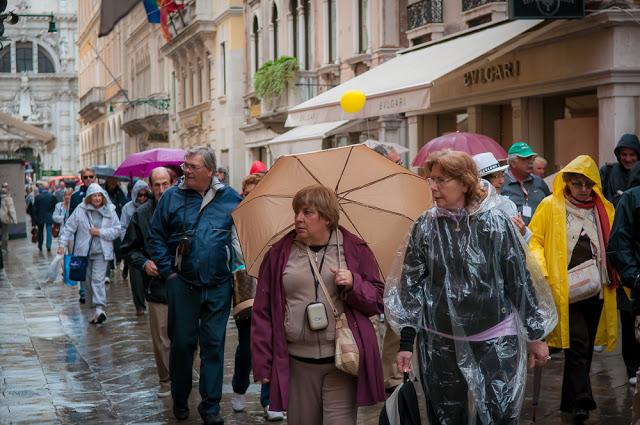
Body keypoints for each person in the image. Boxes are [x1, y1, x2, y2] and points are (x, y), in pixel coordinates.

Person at [387, 150, 555, 425]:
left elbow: (518, 281)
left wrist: (536, 336)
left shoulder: (495, 224)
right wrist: (406, 343)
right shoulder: (426, 227)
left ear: (464, 182)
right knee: (446, 415)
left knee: (499, 412)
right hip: (440, 340)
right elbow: (411, 286)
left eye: (441, 180)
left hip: (495, 336)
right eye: (431, 180)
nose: (433, 187)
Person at [252, 185, 386, 425]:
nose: (298, 219)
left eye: (307, 212)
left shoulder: (354, 249)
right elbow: (262, 311)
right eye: (296, 212)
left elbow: (377, 300)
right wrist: (263, 362)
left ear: (326, 217)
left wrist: (354, 283)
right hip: (297, 365)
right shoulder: (279, 254)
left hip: (342, 363)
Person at [148, 146, 242, 424]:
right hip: (183, 284)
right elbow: (155, 236)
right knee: (182, 345)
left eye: (192, 167)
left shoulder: (230, 198)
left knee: (214, 346)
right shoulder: (170, 198)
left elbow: (243, 235)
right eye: (185, 165)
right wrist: (169, 273)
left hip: (219, 285)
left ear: (210, 171)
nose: (185, 171)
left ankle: (210, 408)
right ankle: (180, 397)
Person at [528, 155, 619, 424]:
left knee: (584, 347)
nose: (582, 189)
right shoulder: (549, 205)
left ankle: (570, 400)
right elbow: (535, 241)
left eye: (586, 184)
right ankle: (582, 402)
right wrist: (542, 272)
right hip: (565, 289)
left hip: (596, 288)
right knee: (577, 344)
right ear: (567, 182)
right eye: (576, 183)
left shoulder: (604, 208)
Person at [121, 167, 175, 398]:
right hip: (157, 287)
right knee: (162, 339)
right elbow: (128, 249)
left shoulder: (187, 209)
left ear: (172, 183)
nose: (161, 189)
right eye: (157, 185)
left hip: (186, 284)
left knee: (188, 338)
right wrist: (144, 263)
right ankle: (166, 381)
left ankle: (182, 375)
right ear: (150, 186)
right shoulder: (141, 215)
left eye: (165, 184)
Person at [58, 183, 121, 324]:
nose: (97, 198)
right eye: (94, 196)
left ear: (103, 197)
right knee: (86, 283)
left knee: (97, 281)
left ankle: (100, 308)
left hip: (102, 252)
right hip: (83, 253)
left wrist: (100, 232)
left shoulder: (110, 210)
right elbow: (69, 227)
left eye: (99, 195)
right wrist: (62, 245)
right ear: (89, 197)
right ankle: (93, 311)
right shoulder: (80, 210)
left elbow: (117, 229)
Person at [607, 162, 640, 387]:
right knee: (631, 330)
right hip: (636, 287)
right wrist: (635, 277)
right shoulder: (631, 199)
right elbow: (619, 244)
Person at [473, 152, 531, 240]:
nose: (502, 181)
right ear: (480, 181)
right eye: (495, 176)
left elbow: (520, 244)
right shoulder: (468, 209)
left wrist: (524, 233)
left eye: (502, 175)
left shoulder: (508, 205)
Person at [120, 180, 150, 316]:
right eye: (140, 195)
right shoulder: (127, 208)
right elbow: (122, 227)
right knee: (136, 278)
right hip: (134, 247)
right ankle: (139, 306)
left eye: (145, 195)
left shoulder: (152, 207)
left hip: (149, 248)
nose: (142, 198)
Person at [501, 142, 551, 225]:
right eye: (525, 159)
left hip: (538, 235)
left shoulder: (539, 182)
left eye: (531, 158)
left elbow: (550, 206)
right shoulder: (501, 183)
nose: (531, 162)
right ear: (513, 163)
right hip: (513, 235)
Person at [69, 168, 96, 303]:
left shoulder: (100, 194)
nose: (88, 179)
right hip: (82, 237)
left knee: (96, 266)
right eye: (85, 177)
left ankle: (95, 292)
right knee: (82, 265)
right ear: (82, 179)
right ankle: (83, 291)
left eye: (91, 176)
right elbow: (71, 219)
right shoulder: (76, 196)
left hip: (97, 236)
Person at [600, 133, 639, 206]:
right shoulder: (607, 172)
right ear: (619, 155)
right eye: (624, 154)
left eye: (632, 155)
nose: (628, 159)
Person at [33, 183, 57, 252]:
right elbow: (56, 206)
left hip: (40, 217)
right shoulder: (52, 196)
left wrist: (35, 219)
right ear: (48, 188)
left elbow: (35, 209)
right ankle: (48, 246)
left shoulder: (38, 197)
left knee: (40, 232)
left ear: (42, 188)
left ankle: (40, 245)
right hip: (49, 217)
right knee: (49, 232)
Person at [0, 185, 17, 252]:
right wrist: (15, 220)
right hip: (4, 218)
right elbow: (11, 210)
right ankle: (4, 248)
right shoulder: (8, 199)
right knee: (5, 233)